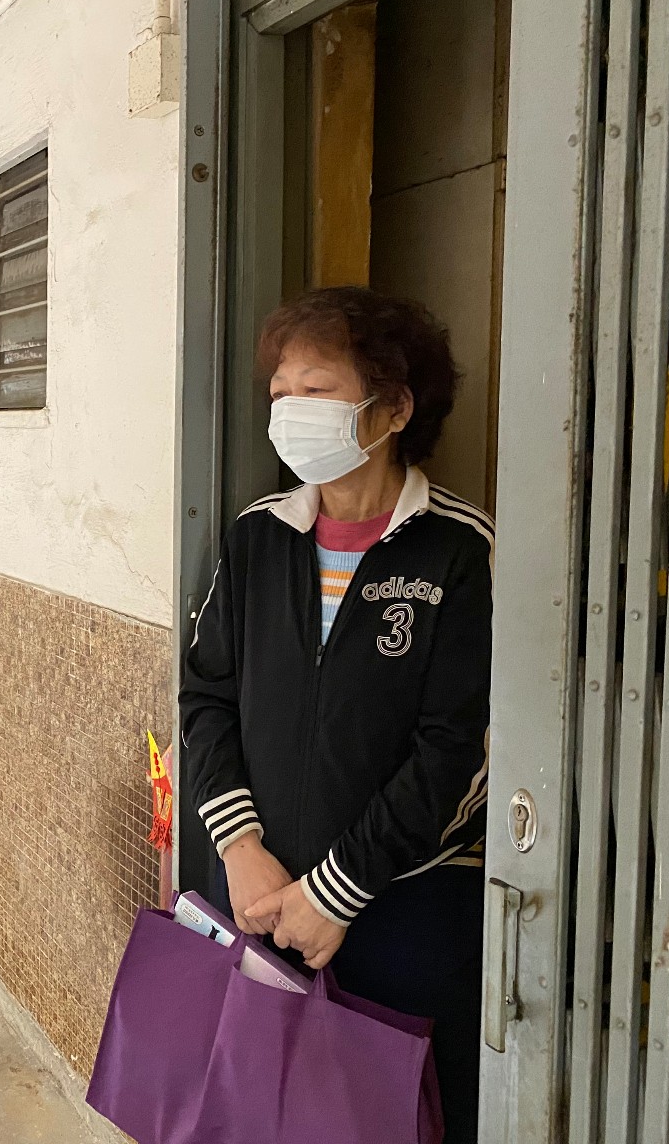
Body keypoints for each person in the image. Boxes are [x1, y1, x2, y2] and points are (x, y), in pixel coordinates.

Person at [180, 286, 490, 1142]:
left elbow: (459, 749)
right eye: (280, 392)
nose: (288, 410)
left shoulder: (460, 550)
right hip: (260, 898)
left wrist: (336, 892)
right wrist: (240, 850)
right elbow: (207, 697)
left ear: (393, 409)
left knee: (396, 1120)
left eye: (315, 389)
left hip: (403, 912)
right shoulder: (256, 538)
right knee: (259, 1113)